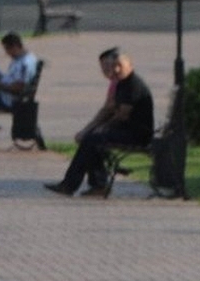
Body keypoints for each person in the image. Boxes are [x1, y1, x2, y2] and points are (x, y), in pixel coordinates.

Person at [46, 47, 154, 197]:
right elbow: (108, 110)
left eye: (120, 66)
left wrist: (102, 128)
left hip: (137, 134)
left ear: (130, 65)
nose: (116, 70)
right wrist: (88, 129)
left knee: (94, 139)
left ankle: (74, 185)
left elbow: (122, 115)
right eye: (114, 66)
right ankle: (95, 185)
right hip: (125, 130)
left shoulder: (133, 85)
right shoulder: (122, 83)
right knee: (91, 138)